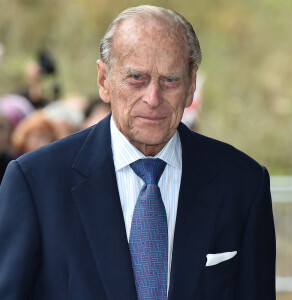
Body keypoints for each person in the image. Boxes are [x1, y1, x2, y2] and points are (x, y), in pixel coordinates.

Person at [0, 5, 276, 300]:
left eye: (170, 80)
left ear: (192, 84)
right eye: (137, 78)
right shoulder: (35, 182)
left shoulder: (243, 184)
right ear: (104, 80)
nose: (153, 98)